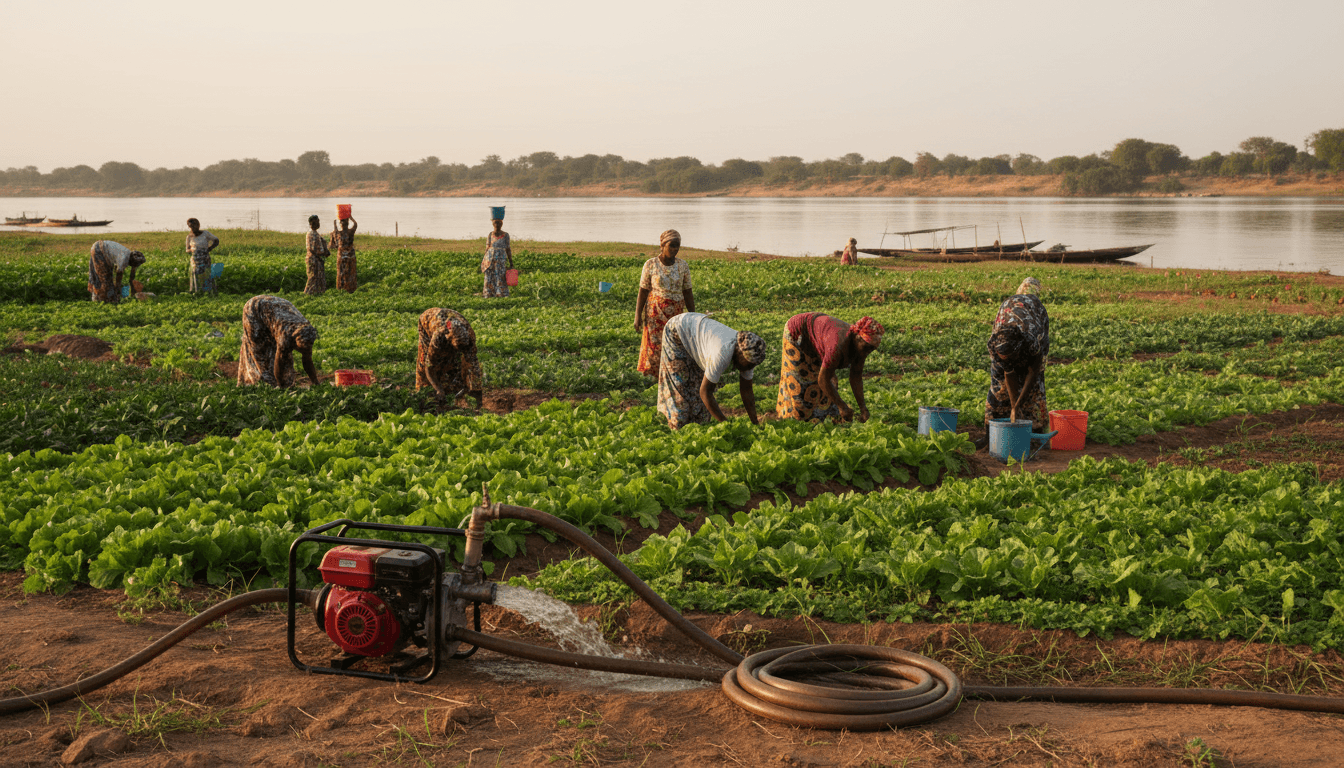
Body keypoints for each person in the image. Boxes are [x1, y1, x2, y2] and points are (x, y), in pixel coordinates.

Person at [656, 312, 767, 430]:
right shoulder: (722, 353)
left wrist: (755, 423)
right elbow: (705, 392)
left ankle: (697, 430)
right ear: (740, 354)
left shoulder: (749, 357)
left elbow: (746, 390)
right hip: (677, 330)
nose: (750, 368)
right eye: (749, 365)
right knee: (679, 394)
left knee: (700, 405)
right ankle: (676, 431)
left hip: (696, 334)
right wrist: (725, 424)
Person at [777, 313, 883, 423]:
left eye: (872, 349)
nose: (868, 352)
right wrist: (842, 407)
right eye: (866, 347)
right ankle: (794, 420)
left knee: (828, 384)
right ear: (857, 338)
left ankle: (824, 417)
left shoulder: (861, 349)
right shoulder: (838, 345)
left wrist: (863, 408)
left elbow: (855, 376)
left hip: (820, 336)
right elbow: (823, 379)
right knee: (801, 384)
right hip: (798, 332)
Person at [985, 276, 1049, 430]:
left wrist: (1019, 404)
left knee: (1035, 387)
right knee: (998, 384)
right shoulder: (996, 343)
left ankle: (1034, 429)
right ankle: (992, 430)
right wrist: (1014, 406)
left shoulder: (1032, 337)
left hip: (1034, 318)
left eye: (1012, 357)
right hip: (1008, 313)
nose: (1009, 360)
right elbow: (1008, 372)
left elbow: (1033, 372)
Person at [635, 229, 694, 377]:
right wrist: (637, 316)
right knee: (655, 346)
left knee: (674, 345)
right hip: (655, 313)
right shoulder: (650, 264)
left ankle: (671, 375)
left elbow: (687, 292)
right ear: (662, 245)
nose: (675, 249)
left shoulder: (683, 266)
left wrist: (693, 315)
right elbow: (643, 292)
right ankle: (655, 376)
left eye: (677, 246)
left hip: (676, 313)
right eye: (671, 245)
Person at [237, 295, 320, 388]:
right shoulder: (285, 334)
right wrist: (281, 387)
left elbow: (307, 360)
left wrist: (315, 382)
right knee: (259, 349)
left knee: (280, 352)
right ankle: (254, 381)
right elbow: (279, 361)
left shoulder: (307, 333)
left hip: (274, 308)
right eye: (300, 349)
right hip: (254, 308)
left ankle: (279, 381)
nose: (303, 351)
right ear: (294, 340)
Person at [416, 308, 484, 409]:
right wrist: (438, 389)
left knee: (454, 363)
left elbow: (473, 364)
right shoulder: (439, 336)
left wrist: (475, 390)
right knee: (426, 361)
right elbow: (429, 366)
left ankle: (450, 391)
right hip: (426, 321)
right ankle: (425, 394)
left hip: (450, 324)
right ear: (450, 340)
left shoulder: (469, 337)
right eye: (457, 347)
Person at [480, 216, 513, 297]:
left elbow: (508, 248)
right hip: (490, 259)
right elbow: (487, 248)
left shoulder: (505, 235)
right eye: (495, 222)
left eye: (499, 223)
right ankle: (488, 293)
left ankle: (500, 293)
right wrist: (484, 261)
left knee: (500, 274)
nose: (497, 224)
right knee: (489, 275)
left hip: (500, 259)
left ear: (502, 224)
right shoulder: (490, 234)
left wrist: (511, 262)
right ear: (492, 224)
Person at [185, 218, 219, 294]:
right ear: (189, 227)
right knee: (195, 275)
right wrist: (192, 250)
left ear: (198, 225)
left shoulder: (205, 234)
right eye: (191, 226)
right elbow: (187, 249)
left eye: (195, 226)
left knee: (206, 274)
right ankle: (197, 292)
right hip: (195, 259)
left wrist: (210, 248)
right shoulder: (189, 237)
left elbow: (216, 240)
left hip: (205, 258)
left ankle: (209, 291)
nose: (193, 228)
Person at [330, 215, 358, 292]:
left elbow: (334, 243)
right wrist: (351, 217)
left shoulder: (338, 233)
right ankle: (351, 288)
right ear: (348, 223)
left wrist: (335, 223)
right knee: (350, 272)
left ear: (340, 224)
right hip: (350, 256)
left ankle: (341, 287)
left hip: (341, 257)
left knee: (341, 272)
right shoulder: (350, 232)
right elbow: (355, 224)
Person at [303, 215, 329, 296]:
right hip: (313, 259)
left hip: (317, 259)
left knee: (318, 278)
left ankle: (317, 294)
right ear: (311, 224)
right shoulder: (311, 234)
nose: (318, 224)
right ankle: (307, 294)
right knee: (313, 278)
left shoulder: (315, 234)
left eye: (318, 222)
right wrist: (322, 253)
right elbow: (312, 249)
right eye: (316, 222)